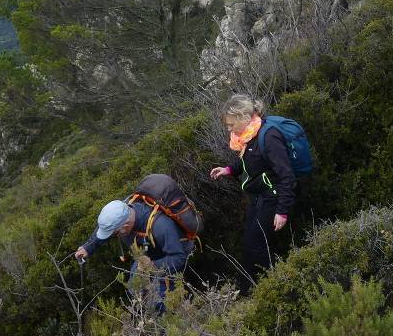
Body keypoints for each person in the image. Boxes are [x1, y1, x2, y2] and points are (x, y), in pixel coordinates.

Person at [209, 94, 296, 291]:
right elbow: (248, 159)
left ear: (244, 118)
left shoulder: (269, 136)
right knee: (252, 240)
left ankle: (269, 287)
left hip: (272, 198)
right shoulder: (249, 136)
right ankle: (253, 285)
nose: (229, 129)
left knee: (257, 242)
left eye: (231, 125)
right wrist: (229, 169)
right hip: (259, 197)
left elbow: (287, 175)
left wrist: (282, 211)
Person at [74, 191, 192, 310]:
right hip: (145, 257)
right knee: (134, 289)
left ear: (125, 226)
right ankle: (145, 316)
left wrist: (152, 267)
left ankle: (168, 323)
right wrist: (88, 247)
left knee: (161, 303)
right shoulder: (124, 210)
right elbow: (107, 226)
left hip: (164, 261)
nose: (114, 236)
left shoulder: (161, 226)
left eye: (115, 234)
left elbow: (179, 258)